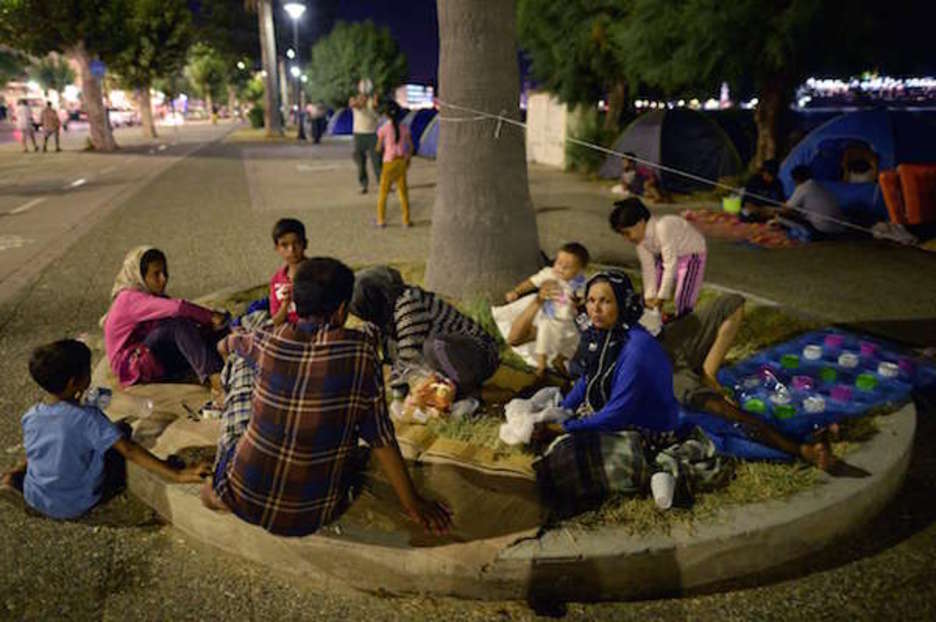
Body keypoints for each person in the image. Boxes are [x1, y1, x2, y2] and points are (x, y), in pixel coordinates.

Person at [201, 257, 453, 536]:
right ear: (342, 310)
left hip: (244, 498)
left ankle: (215, 490)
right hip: (315, 513)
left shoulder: (267, 338)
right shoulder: (360, 352)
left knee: (241, 370)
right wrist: (414, 504)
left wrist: (229, 368)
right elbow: (381, 437)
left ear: (295, 303)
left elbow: (226, 345)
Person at [533, 272, 731, 514]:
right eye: (591, 300)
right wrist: (563, 409)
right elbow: (588, 378)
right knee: (556, 449)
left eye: (605, 301)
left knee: (575, 458)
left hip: (642, 426)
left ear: (623, 304)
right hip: (608, 415)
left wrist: (566, 427)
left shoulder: (636, 348)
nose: (595, 309)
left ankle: (659, 472)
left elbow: (618, 413)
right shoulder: (601, 334)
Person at [0, 340, 208, 520]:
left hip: (36, 496)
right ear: (74, 382)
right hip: (77, 503)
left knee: (55, 444)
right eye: (88, 371)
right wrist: (177, 474)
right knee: (121, 434)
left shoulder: (32, 416)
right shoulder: (88, 418)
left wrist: (20, 468)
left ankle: (15, 478)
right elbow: (129, 450)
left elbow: (36, 449)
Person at [659, 294, 834, 470]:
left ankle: (708, 375)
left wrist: (710, 375)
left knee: (731, 304)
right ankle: (802, 449)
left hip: (665, 342)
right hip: (662, 368)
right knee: (723, 412)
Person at [350, 266, 500, 396]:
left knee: (435, 346)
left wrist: (396, 391)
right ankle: (451, 387)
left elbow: (410, 354)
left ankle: (465, 391)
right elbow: (368, 341)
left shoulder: (409, 304)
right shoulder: (386, 313)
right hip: (452, 358)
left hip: (481, 355)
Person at [102, 246, 227, 389]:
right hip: (130, 366)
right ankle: (213, 376)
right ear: (140, 276)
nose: (164, 279)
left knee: (201, 333)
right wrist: (210, 315)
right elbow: (177, 308)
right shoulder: (129, 299)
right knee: (177, 324)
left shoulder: (149, 296)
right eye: (156, 274)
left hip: (149, 354)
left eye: (165, 272)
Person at [610, 198, 707, 318]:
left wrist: (661, 297)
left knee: (683, 297)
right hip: (668, 256)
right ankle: (657, 318)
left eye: (627, 233)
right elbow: (648, 268)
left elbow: (670, 264)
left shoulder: (663, 227)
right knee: (653, 285)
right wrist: (650, 296)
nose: (626, 239)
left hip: (692, 254)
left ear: (640, 222)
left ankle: (683, 319)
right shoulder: (641, 242)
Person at [505, 243, 590, 377]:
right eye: (558, 263)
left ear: (579, 270)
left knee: (574, 343)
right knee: (544, 334)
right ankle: (541, 365)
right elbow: (531, 282)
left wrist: (580, 301)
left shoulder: (580, 282)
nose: (560, 268)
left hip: (570, 322)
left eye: (567, 267)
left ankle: (559, 360)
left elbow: (585, 298)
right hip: (551, 318)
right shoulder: (549, 274)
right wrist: (516, 291)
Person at [777, 165, 847, 238]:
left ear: (796, 179)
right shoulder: (817, 185)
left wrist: (771, 210)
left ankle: (806, 234)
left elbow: (786, 209)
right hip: (838, 227)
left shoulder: (803, 187)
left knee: (781, 217)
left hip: (822, 228)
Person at [375, 101, 414, 228]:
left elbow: (379, 147)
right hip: (401, 161)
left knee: (383, 193)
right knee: (403, 192)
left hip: (389, 162)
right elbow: (410, 146)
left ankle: (381, 220)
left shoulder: (384, 129)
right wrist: (408, 158)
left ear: (386, 115)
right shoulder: (404, 127)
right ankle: (406, 220)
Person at [269, 218, 308, 326]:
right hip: (288, 333)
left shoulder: (317, 272)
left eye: (296, 243)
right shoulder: (277, 281)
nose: (291, 250)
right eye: (284, 245)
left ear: (305, 244)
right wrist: (285, 304)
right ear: (277, 248)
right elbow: (276, 321)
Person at [348, 79, 382, 194]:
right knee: (361, 162)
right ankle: (363, 185)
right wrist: (363, 99)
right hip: (359, 134)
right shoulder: (354, 100)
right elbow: (356, 105)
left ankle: (382, 183)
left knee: (377, 161)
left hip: (373, 134)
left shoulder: (374, 101)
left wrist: (374, 100)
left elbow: (377, 108)